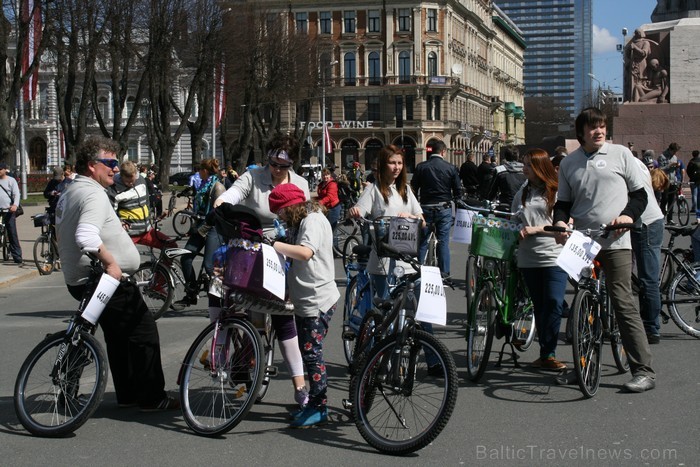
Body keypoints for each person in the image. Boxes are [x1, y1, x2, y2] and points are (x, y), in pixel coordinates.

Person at [54, 136, 178, 411]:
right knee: (144, 332)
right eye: (109, 163)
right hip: (104, 278)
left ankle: (129, 394)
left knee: (119, 337)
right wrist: (112, 263)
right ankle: (151, 397)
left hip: (82, 279)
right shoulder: (93, 193)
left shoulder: (71, 190)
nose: (115, 169)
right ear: (91, 165)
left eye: (116, 163)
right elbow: (85, 234)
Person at [553, 107, 655, 393]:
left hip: (615, 239)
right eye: (592, 128)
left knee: (622, 300)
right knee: (582, 304)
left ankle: (644, 371)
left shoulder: (621, 154)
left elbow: (640, 195)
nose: (599, 131)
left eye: (602, 127)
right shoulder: (569, 163)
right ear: (581, 132)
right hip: (583, 242)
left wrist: (628, 216)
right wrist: (560, 222)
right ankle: (583, 365)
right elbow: (563, 202)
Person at [214, 133, 310, 410]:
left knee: (283, 317)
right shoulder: (253, 176)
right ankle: (247, 358)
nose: (277, 170)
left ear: (292, 164)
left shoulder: (300, 183)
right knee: (246, 306)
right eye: (273, 163)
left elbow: (303, 219)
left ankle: (299, 385)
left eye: (283, 165)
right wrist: (223, 203)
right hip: (254, 246)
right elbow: (235, 192)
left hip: (286, 249)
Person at [268, 183, 339, 427]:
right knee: (309, 352)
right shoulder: (302, 221)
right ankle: (314, 404)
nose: (280, 217)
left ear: (291, 207)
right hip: (306, 298)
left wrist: (274, 245)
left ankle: (319, 406)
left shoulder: (313, 221)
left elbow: (305, 253)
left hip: (316, 299)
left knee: (312, 354)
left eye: (281, 212)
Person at [511, 149, 567, 370]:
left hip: (554, 255)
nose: (523, 168)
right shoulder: (522, 192)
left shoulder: (557, 191)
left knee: (554, 302)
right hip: (528, 258)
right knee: (540, 306)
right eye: (524, 164)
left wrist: (535, 229)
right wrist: (515, 228)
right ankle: (546, 354)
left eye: (527, 165)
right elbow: (515, 218)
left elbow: (565, 224)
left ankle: (549, 352)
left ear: (539, 167)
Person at [349, 144, 424, 299]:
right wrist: (355, 212)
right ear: (383, 165)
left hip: (407, 257)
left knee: (411, 304)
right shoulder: (374, 189)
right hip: (383, 258)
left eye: (400, 163)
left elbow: (422, 221)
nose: (397, 167)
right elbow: (360, 211)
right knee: (385, 305)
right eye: (392, 163)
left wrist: (412, 217)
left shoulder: (406, 190)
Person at [175, 159, 226, 307]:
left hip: (213, 228)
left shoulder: (218, 187)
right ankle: (191, 292)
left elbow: (218, 213)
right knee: (186, 257)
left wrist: (204, 226)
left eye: (200, 170)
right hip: (201, 227)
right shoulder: (203, 185)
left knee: (209, 265)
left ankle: (223, 299)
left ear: (205, 170)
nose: (198, 173)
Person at [411, 140, 462, 276]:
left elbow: (413, 188)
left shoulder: (421, 167)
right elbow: (457, 190)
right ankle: (444, 274)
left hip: (425, 208)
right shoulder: (450, 168)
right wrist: (457, 203)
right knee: (443, 241)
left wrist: (414, 206)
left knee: (422, 242)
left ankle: (417, 270)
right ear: (443, 152)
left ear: (430, 151)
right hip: (443, 208)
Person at [630, 156, 665, 344]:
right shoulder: (631, 159)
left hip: (646, 223)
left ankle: (652, 328)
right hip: (632, 221)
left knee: (647, 278)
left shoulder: (623, 162)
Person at [108, 160, 152, 238]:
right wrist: (120, 223)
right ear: (121, 177)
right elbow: (111, 212)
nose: (131, 184)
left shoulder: (141, 180)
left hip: (146, 229)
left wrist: (149, 217)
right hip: (129, 234)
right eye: (127, 182)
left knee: (170, 245)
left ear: (136, 175)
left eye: (133, 181)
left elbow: (147, 201)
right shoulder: (114, 188)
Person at [488, 145, 526, 210]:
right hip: (522, 205)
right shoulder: (525, 170)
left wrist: (488, 199)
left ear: (506, 157)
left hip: (505, 205)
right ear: (517, 157)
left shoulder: (499, 170)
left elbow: (492, 190)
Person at [0, 161, 22, 264]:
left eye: (0, 169)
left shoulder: (11, 180)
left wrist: (15, 206)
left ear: (5, 170)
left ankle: (17, 256)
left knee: (12, 233)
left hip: (8, 210)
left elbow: (16, 194)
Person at [316, 168, 341, 255]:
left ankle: (335, 250)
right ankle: (327, 248)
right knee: (325, 229)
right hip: (326, 208)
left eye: (326, 175)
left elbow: (330, 197)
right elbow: (320, 195)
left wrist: (320, 202)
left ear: (330, 175)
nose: (325, 177)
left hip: (333, 208)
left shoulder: (332, 184)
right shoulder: (322, 184)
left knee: (332, 229)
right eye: (323, 175)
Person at [658, 142, 681, 224]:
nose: (675, 153)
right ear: (670, 149)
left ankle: (670, 219)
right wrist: (669, 165)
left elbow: (675, 169)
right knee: (664, 199)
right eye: (674, 151)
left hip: (673, 180)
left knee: (671, 200)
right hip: (665, 180)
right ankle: (661, 217)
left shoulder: (674, 157)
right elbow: (660, 169)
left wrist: (677, 166)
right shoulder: (662, 156)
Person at [686, 150, 700, 216]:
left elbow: (688, 171)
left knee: (694, 194)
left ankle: (694, 208)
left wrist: (691, 177)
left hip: (693, 180)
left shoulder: (691, 162)